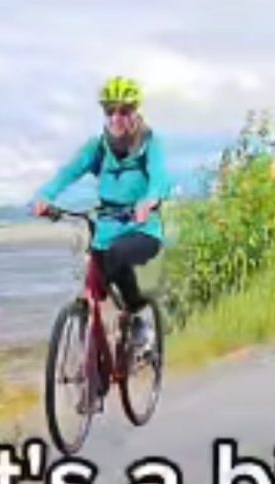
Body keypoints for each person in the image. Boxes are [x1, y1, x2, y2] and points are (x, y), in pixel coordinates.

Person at [31, 75, 173, 362]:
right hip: (106, 227)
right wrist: (45, 197)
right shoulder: (98, 147)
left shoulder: (149, 144)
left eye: (124, 111)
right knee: (96, 266)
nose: (117, 118)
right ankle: (94, 365)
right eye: (110, 111)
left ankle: (137, 322)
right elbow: (69, 172)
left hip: (142, 229)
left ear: (135, 111)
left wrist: (149, 200)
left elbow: (161, 177)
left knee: (117, 255)